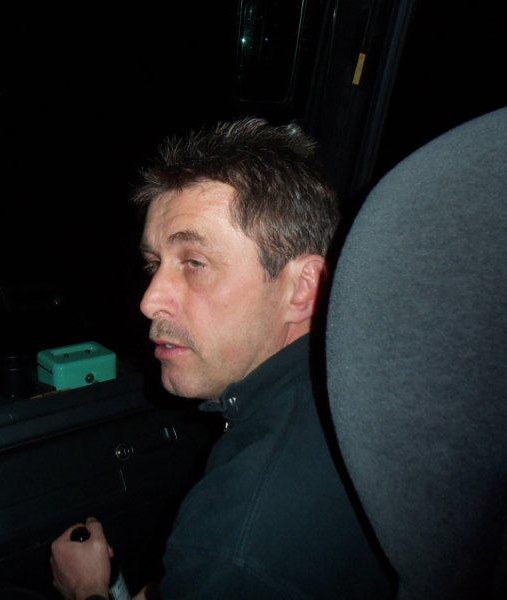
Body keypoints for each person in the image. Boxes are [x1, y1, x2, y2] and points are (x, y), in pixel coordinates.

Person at [50, 118, 390, 599]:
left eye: (194, 263)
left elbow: (233, 565)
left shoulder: (238, 540)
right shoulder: (355, 382)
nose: (150, 301)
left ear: (302, 290)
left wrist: (88, 589)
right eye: (154, 264)